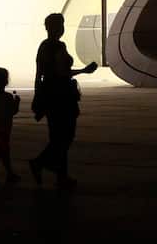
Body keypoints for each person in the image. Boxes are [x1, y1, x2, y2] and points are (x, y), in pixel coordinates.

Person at [29, 13, 97, 189]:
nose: (62, 28)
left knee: (57, 136)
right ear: (56, 27)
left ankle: (61, 174)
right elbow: (61, 73)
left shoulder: (44, 47)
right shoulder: (56, 46)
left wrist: (38, 96)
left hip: (52, 95)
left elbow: (39, 74)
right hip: (61, 96)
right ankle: (41, 164)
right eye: (60, 24)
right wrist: (83, 71)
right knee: (65, 136)